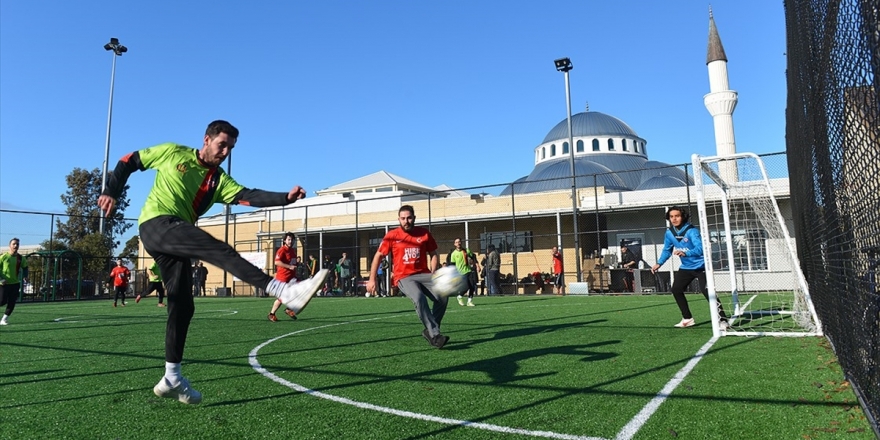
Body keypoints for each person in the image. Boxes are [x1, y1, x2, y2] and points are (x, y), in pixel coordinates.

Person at [97, 119, 329, 404]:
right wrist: (111, 190)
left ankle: (172, 377)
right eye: (222, 145)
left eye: (230, 148)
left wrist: (285, 197)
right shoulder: (173, 152)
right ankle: (282, 291)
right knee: (219, 249)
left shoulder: (218, 179)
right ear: (206, 140)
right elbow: (128, 160)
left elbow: (246, 195)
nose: (225, 152)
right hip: (157, 224)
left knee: (183, 305)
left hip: (175, 236)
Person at [366, 205, 449, 348]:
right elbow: (378, 255)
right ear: (399, 219)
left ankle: (430, 330)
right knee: (418, 297)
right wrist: (372, 279)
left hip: (424, 274)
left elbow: (434, 254)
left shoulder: (424, 234)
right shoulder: (392, 235)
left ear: (414, 218)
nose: (406, 221)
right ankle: (435, 335)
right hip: (404, 277)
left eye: (409, 218)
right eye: (403, 218)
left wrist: (434, 272)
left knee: (443, 296)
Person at [651, 206, 728, 329]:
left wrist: (687, 253)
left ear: (683, 217)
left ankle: (722, 320)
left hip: (702, 266)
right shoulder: (669, 233)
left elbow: (701, 248)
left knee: (707, 291)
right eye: (671, 216)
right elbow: (667, 250)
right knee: (676, 289)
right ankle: (687, 318)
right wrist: (659, 263)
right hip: (686, 267)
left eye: (677, 216)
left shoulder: (692, 231)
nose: (674, 219)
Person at [268, 232, 299, 322]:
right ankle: (272, 314)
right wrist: (289, 266)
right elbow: (277, 262)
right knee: (282, 298)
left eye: (292, 239)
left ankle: (289, 309)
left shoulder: (292, 251)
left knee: (299, 292)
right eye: (289, 239)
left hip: (292, 277)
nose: (290, 241)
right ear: (285, 240)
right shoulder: (282, 250)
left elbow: (292, 263)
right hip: (283, 278)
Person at [0, 238, 29, 326]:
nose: (16, 246)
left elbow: (25, 267)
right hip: (4, 284)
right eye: (14, 244)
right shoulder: (3, 257)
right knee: (2, 301)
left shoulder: (20, 258)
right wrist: (0, 279)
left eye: (17, 244)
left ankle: (4, 319)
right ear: (10, 246)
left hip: (15, 284)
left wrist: (25, 276)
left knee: (12, 302)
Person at [450, 238, 477, 307]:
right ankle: (459, 296)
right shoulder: (453, 254)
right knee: (466, 286)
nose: (458, 243)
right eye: (456, 242)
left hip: (468, 271)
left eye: (459, 242)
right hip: (460, 273)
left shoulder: (466, 250)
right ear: (454, 244)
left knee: (472, 286)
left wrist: (476, 264)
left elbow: (473, 256)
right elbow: (452, 265)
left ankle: (469, 301)